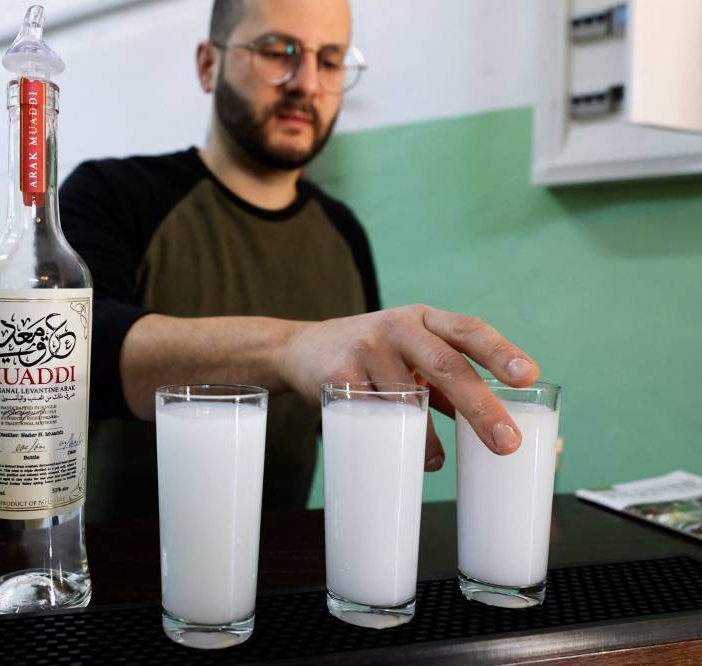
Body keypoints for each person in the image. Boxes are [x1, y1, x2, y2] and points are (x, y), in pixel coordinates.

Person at [60, 0, 539, 522]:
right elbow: (81, 354)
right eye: (277, 51)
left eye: (329, 61)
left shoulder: (343, 233)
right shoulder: (109, 194)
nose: (306, 83)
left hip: (286, 576)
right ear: (208, 64)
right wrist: (291, 349)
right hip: (111, 577)